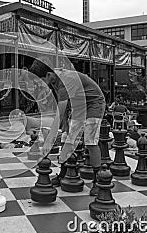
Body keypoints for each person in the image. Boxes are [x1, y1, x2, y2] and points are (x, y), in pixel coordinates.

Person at [29, 59, 106, 196]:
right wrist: (65, 127)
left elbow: (59, 113)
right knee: (67, 137)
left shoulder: (66, 79)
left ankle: (98, 181)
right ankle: (63, 174)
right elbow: (63, 108)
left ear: (48, 75)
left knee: (90, 141)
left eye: (39, 81)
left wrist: (49, 141)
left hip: (94, 103)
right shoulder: (53, 80)